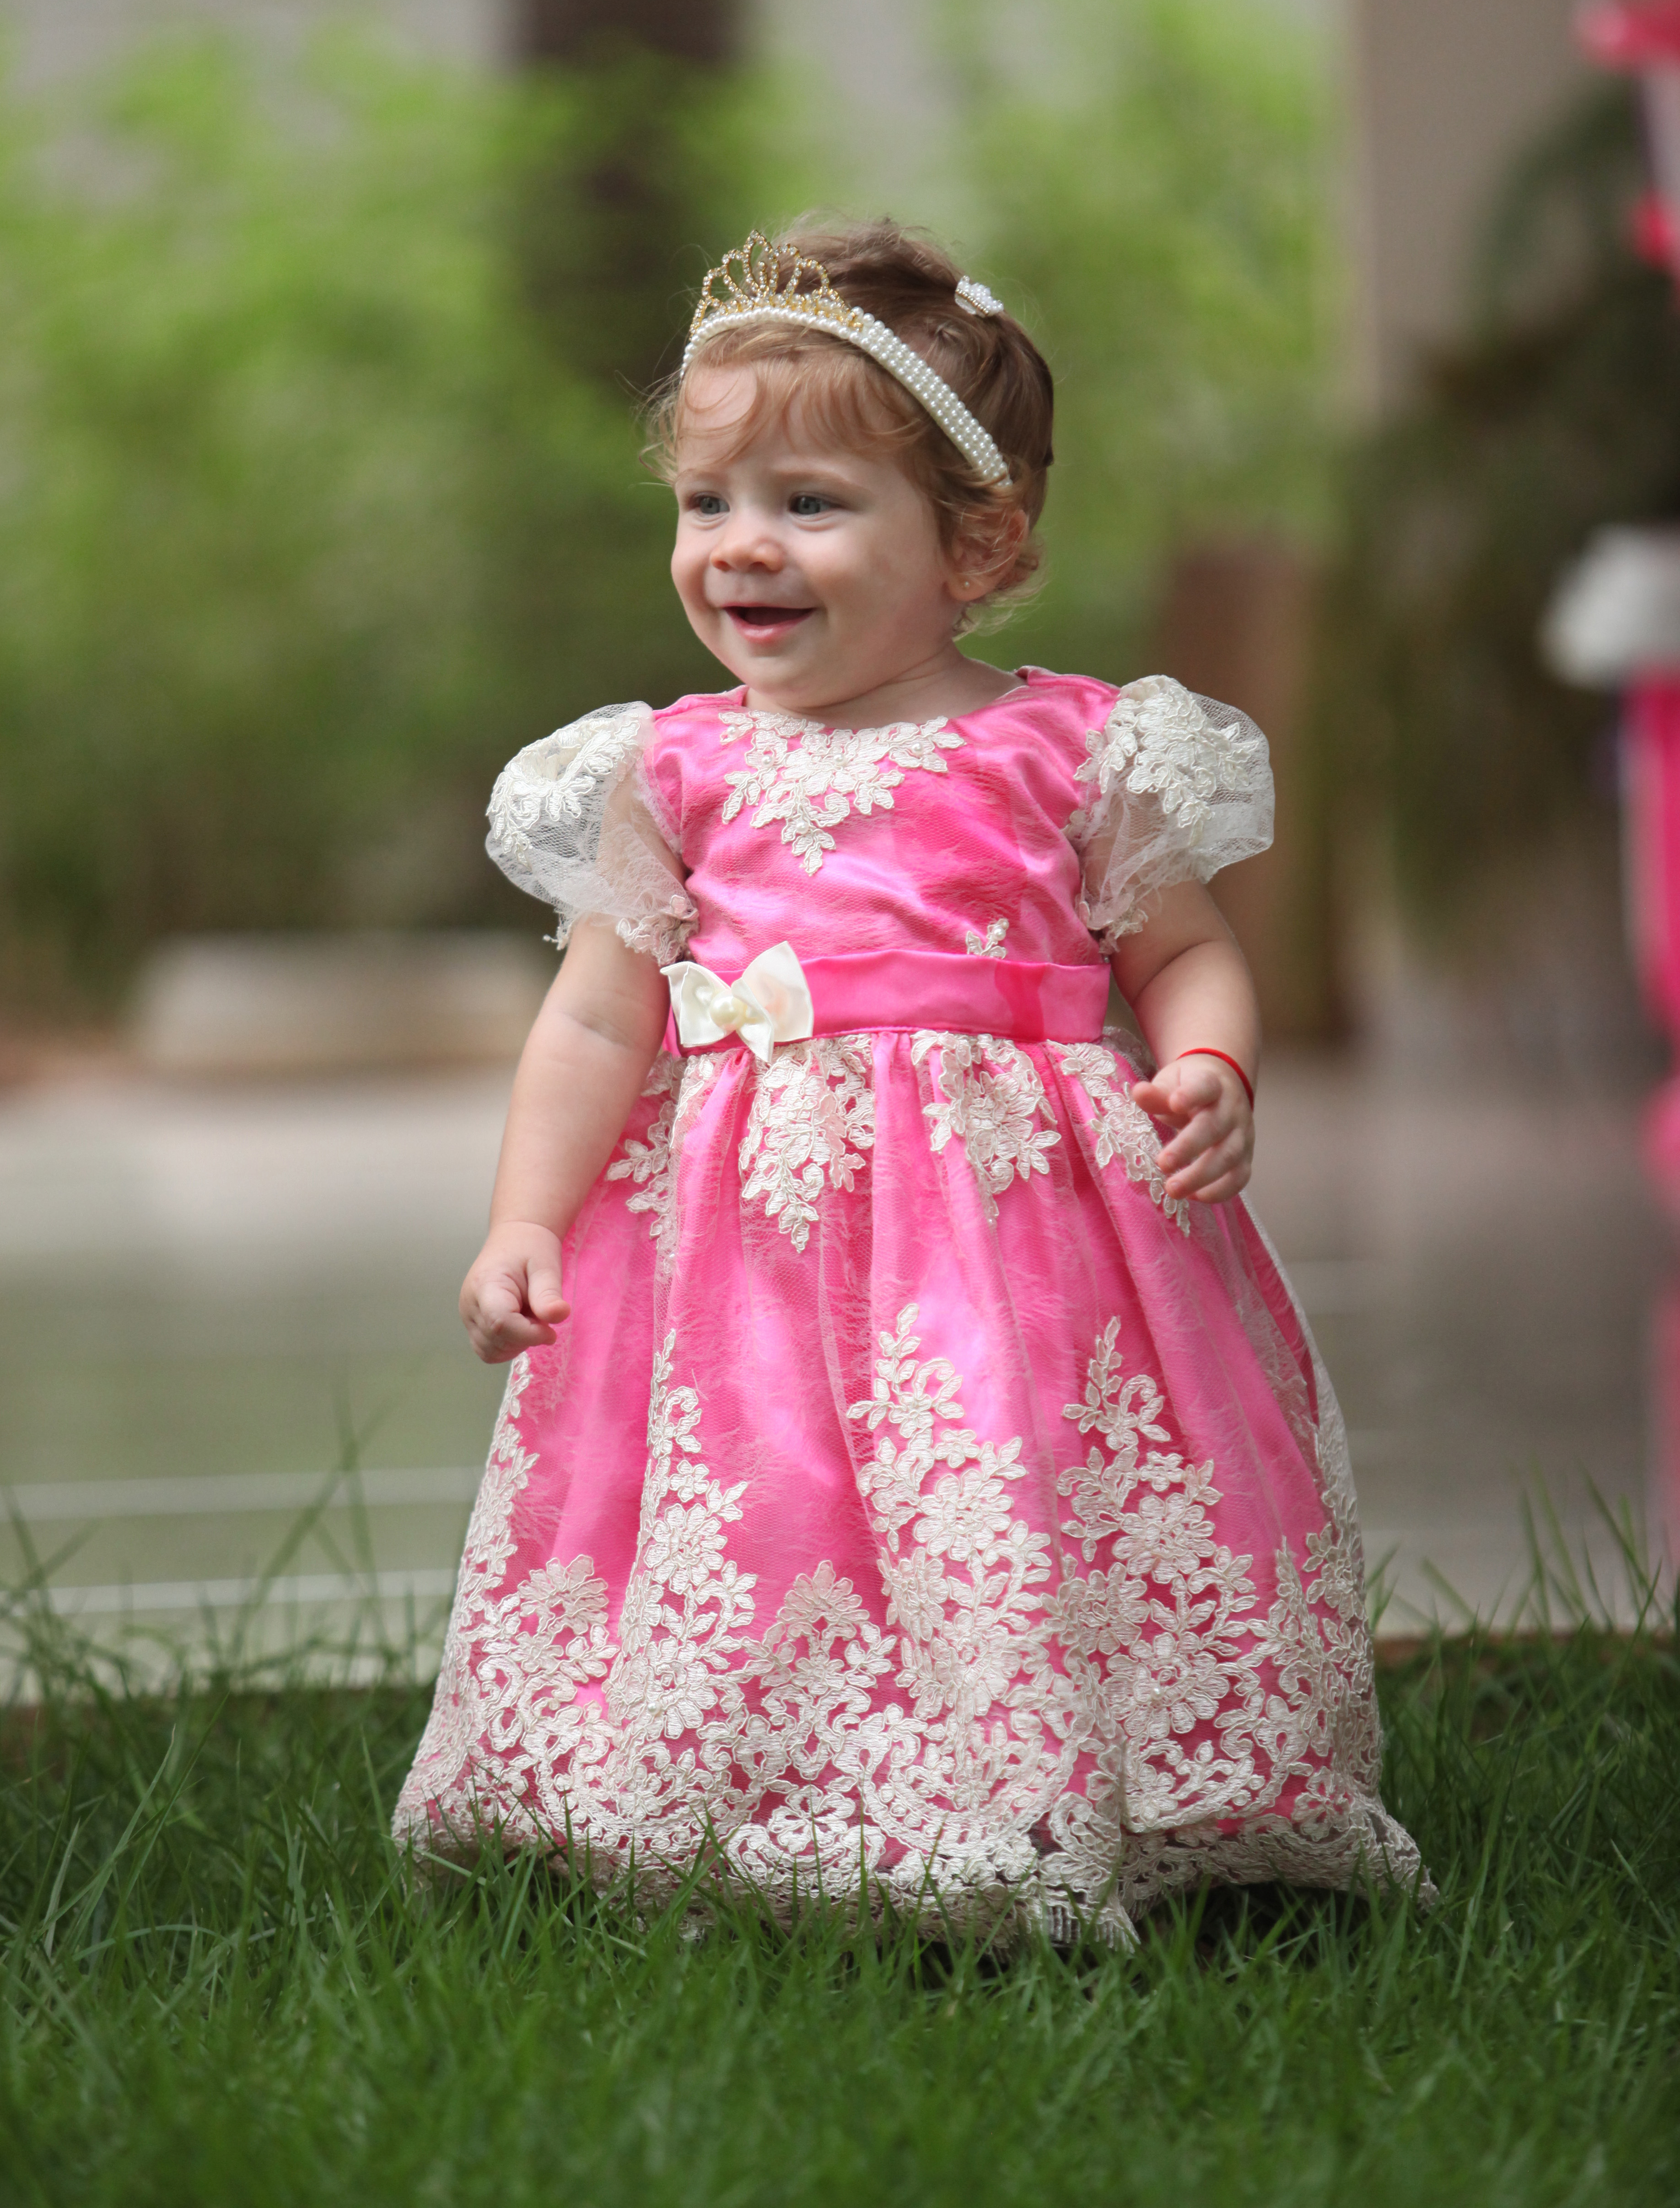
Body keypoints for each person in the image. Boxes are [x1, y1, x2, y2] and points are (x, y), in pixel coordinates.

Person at [394, 221, 1424, 1943]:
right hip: (742, 1247)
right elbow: (595, 1025)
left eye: (809, 503)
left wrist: (1210, 1060)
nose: (741, 545)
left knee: (1005, 1490)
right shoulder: (672, 768)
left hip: (1014, 1237)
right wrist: (526, 1219)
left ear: (978, 540)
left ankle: (1055, 1780)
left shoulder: (1068, 747)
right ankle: (765, 1790)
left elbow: (1181, 948)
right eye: (707, 502)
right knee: (773, 1503)